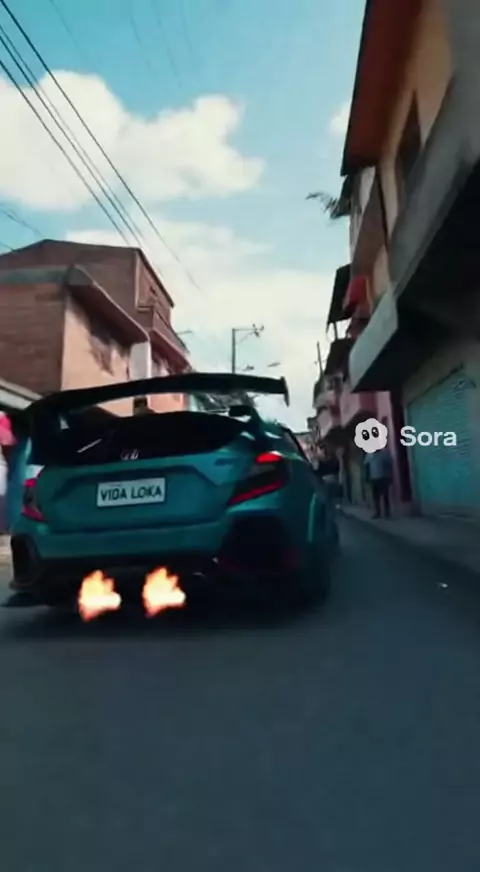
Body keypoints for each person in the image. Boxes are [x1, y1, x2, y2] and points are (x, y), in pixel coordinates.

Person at [364, 425, 393, 519]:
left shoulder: (384, 454)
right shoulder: (369, 455)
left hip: (383, 477)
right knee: (375, 497)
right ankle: (378, 512)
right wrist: (367, 477)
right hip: (374, 478)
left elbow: (389, 465)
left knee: (385, 496)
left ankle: (387, 513)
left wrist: (390, 477)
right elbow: (366, 466)